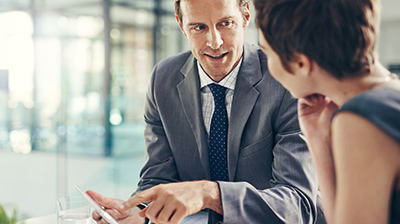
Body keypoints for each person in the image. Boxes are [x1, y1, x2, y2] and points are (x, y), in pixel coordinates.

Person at [87, 0, 325, 223]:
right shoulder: (163, 79)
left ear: (245, 17)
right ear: (182, 26)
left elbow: (299, 204)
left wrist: (210, 193)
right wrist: (139, 212)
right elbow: (159, 176)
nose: (214, 42)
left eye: (226, 24)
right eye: (199, 27)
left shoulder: (285, 80)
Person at [253, 0, 400, 223]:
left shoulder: (362, 117)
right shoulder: (389, 91)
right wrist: (317, 139)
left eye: (267, 54)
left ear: (301, 63)